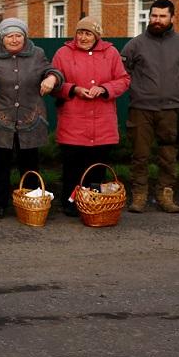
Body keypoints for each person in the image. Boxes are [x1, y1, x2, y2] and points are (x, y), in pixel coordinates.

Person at [120, 0, 179, 213]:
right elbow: (122, 72)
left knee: (168, 155)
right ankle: (139, 196)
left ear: (172, 18)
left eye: (162, 16)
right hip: (141, 108)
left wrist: (175, 85)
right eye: (154, 15)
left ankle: (165, 194)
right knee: (140, 154)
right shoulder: (135, 44)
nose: (157, 20)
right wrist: (140, 89)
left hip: (171, 109)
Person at [0, 18, 62, 219]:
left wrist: (51, 78)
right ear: (1, 37)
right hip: (0, 119)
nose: (14, 40)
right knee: (0, 164)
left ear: (25, 36)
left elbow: (53, 71)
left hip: (30, 118)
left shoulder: (37, 54)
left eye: (18, 36)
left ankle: (32, 203)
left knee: (30, 163)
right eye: (9, 36)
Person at [51, 17, 131, 216]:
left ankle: (94, 203)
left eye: (88, 34)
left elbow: (123, 80)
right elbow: (54, 83)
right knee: (72, 167)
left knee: (97, 168)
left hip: (102, 122)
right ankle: (70, 204)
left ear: (97, 36)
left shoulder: (111, 53)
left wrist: (104, 89)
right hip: (73, 121)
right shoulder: (63, 53)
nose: (83, 37)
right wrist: (74, 89)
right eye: (80, 33)